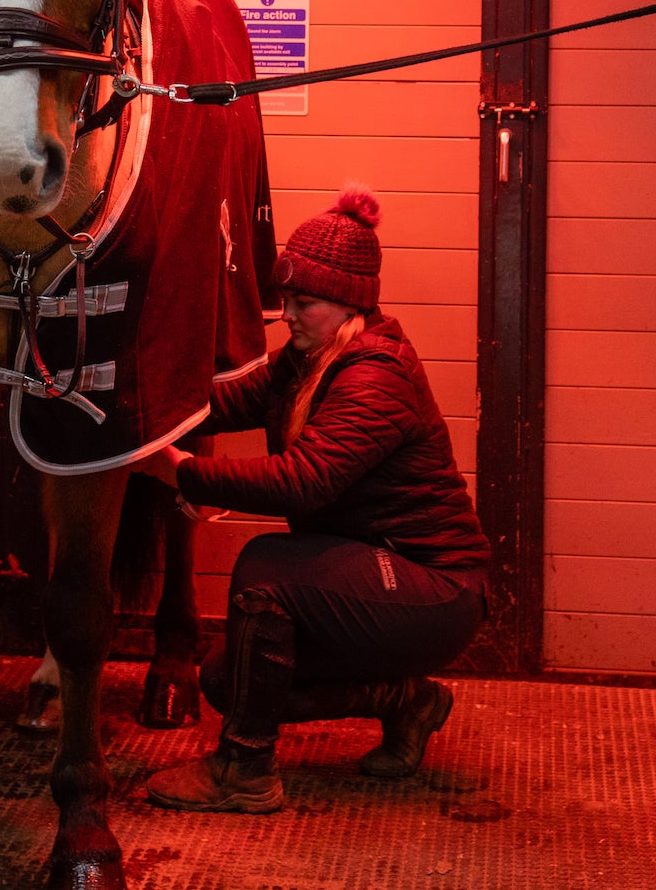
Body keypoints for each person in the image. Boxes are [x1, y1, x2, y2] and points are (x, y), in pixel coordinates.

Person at [137, 185, 491, 813]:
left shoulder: (374, 375)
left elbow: (303, 480)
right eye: (286, 302)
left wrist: (183, 470)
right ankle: (405, 701)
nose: (288, 316)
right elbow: (221, 403)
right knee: (228, 678)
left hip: (432, 591)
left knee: (266, 569)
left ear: (348, 303)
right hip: (371, 576)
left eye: (303, 304)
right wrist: (138, 405)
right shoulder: (309, 359)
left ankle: (244, 770)